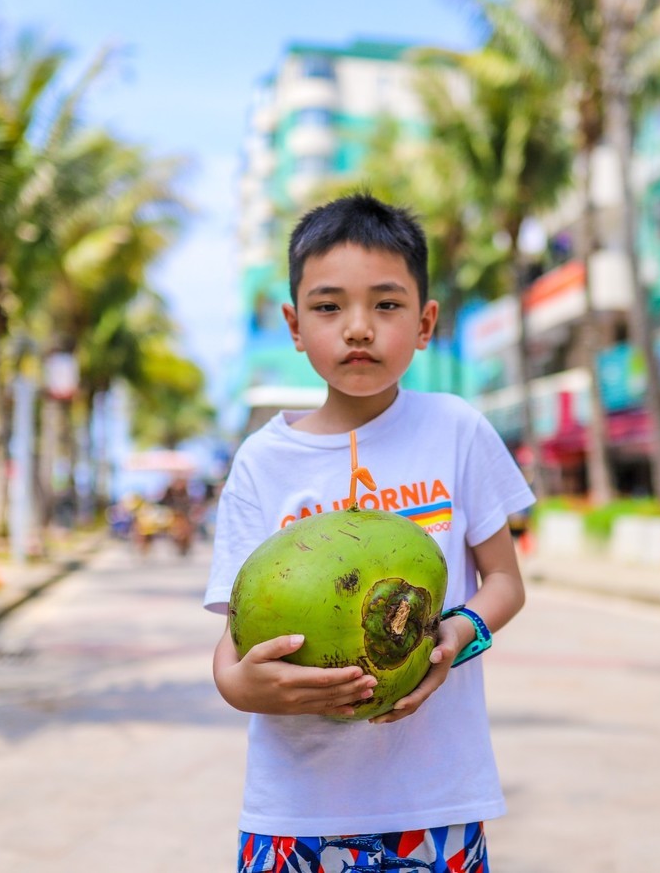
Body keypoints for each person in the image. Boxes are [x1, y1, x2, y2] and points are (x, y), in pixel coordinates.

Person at [204, 193, 533, 873]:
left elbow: (504, 581)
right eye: (329, 308)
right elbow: (232, 645)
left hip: (434, 800)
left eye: (386, 305)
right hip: (296, 808)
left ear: (425, 322)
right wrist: (244, 688)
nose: (358, 328)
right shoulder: (263, 462)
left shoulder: (457, 431)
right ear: (295, 326)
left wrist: (458, 633)